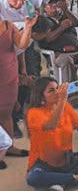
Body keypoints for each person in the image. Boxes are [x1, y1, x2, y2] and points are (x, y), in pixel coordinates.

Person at [25, 77, 78, 191]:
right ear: (41, 96)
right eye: (51, 90)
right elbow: (51, 125)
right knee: (33, 178)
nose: (57, 92)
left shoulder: (65, 106)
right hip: (44, 163)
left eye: (57, 88)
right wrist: (62, 100)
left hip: (67, 160)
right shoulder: (33, 113)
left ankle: (60, 182)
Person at [0, 13, 36, 163]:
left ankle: (8, 147)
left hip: (8, 77)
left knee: (6, 113)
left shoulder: (8, 25)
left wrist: (28, 27)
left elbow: (22, 45)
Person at [31, 0, 78, 81]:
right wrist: (61, 28)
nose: (54, 6)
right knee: (66, 60)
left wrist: (66, 10)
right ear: (45, 8)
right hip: (59, 53)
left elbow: (76, 23)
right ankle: (69, 87)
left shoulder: (65, 16)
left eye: (56, 3)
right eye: (50, 4)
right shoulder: (44, 21)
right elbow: (47, 38)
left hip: (76, 50)